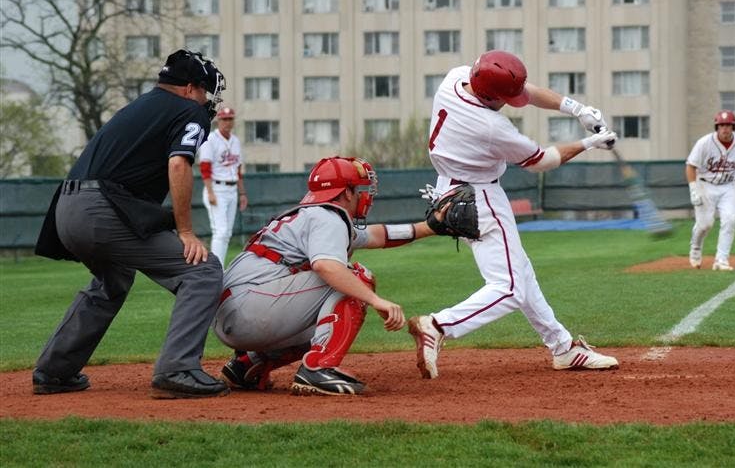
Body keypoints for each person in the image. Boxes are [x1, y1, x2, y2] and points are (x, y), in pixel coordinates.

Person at [407, 49, 620, 380]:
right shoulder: (491, 126)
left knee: (520, 271)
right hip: (481, 195)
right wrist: (589, 142)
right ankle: (438, 325)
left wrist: (575, 109)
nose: (513, 101)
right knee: (509, 288)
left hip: (449, 187)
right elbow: (542, 162)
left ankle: (563, 348)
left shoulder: (457, 77)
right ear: (491, 96)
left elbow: (527, 91)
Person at [32, 49, 231, 399]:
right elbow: (179, 165)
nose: (207, 102)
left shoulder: (142, 106)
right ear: (189, 88)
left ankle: (54, 371)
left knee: (113, 279)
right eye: (205, 93)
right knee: (202, 270)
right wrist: (185, 232)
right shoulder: (190, 110)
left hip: (66, 207)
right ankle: (178, 369)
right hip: (102, 210)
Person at [213, 156, 443, 396]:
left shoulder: (312, 215)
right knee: (357, 277)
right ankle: (319, 368)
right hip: (250, 309)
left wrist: (430, 227)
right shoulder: (328, 217)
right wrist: (376, 300)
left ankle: (247, 365)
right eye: (359, 190)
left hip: (235, 314)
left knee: (325, 320)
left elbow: (377, 235)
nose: (364, 196)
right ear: (345, 193)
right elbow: (326, 266)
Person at [686, 110, 735, 270]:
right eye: (722, 125)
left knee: (729, 221)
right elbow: (690, 166)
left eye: (728, 125)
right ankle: (695, 247)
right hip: (705, 184)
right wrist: (693, 189)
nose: (725, 128)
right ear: (717, 127)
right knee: (705, 225)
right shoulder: (704, 142)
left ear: (733, 127)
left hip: (728, 186)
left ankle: (721, 260)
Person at [199, 106, 248, 267]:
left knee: (226, 233)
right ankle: (215, 269)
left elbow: (238, 170)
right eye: (224, 119)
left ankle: (218, 267)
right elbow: (205, 168)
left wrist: (242, 194)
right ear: (218, 120)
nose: (227, 122)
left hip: (233, 190)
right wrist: (210, 192)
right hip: (216, 188)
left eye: (230, 119)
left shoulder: (235, 141)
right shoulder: (210, 140)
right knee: (220, 232)